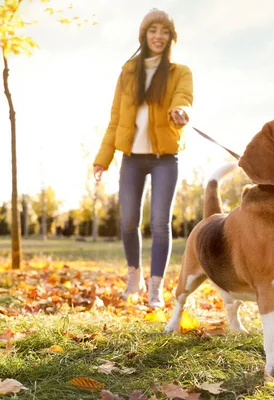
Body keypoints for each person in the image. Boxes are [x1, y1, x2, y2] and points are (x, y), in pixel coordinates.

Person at [93, 8, 193, 308]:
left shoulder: (180, 72)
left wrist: (180, 113)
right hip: (132, 159)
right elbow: (115, 120)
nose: (158, 36)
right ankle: (134, 277)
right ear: (144, 35)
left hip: (165, 158)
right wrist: (102, 158)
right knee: (127, 222)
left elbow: (183, 98)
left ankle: (156, 288)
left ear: (170, 37)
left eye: (164, 31)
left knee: (160, 223)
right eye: (153, 30)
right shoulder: (129, 72)